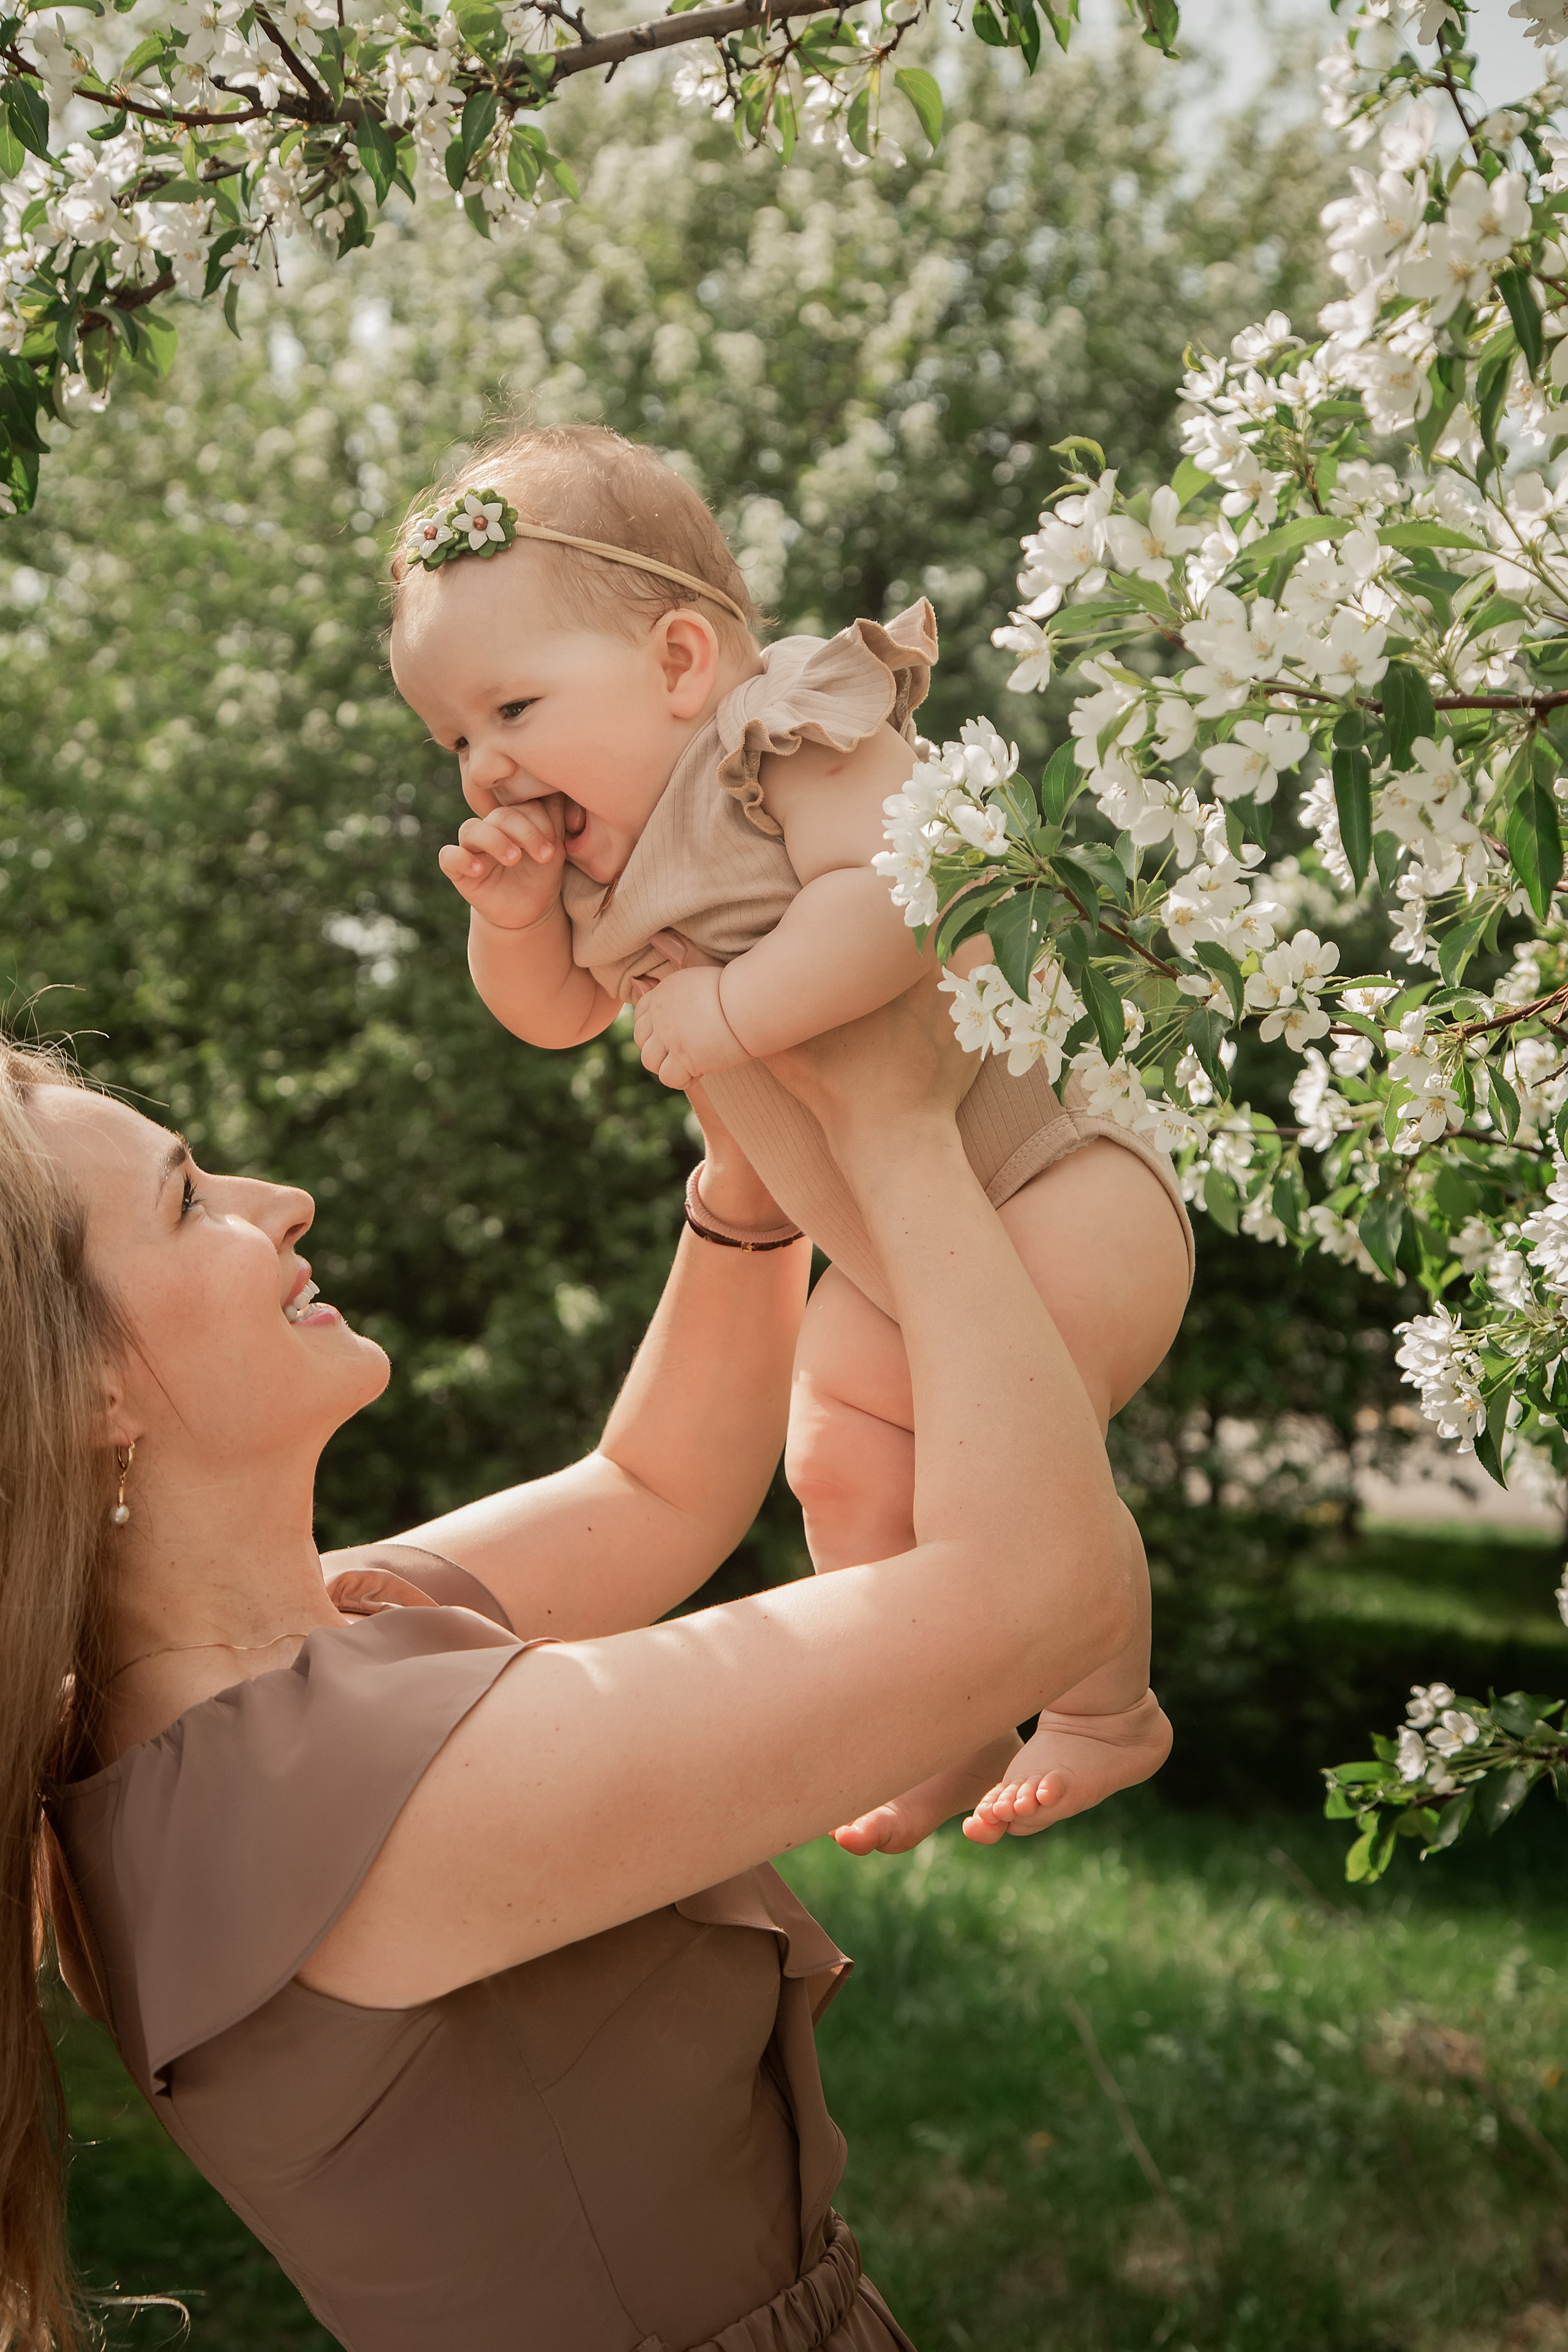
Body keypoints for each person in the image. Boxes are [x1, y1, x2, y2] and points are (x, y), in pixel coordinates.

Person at [6, 985, 1137, 2352]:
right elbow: (1035, 1594)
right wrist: (893, 1131)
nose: (284, 1199)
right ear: (85, 1392)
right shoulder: (332, 1802)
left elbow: (654, 1485)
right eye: (190, 1201)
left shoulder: (243, 1693)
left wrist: (747, 1177)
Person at [391, 423, 1189, 1854]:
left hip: (1054, 1180)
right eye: (453, 737)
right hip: (891, 1256)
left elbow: (887, 905)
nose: (484, 767)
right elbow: (559, 1016)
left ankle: (1103, 1705)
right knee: (836, 1458)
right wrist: (509, 926)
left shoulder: (781, 737)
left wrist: (733, 1005)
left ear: (683, 664)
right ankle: (942, 1712)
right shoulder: (603, 859)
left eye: (512, 708)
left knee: (1005, 1432)